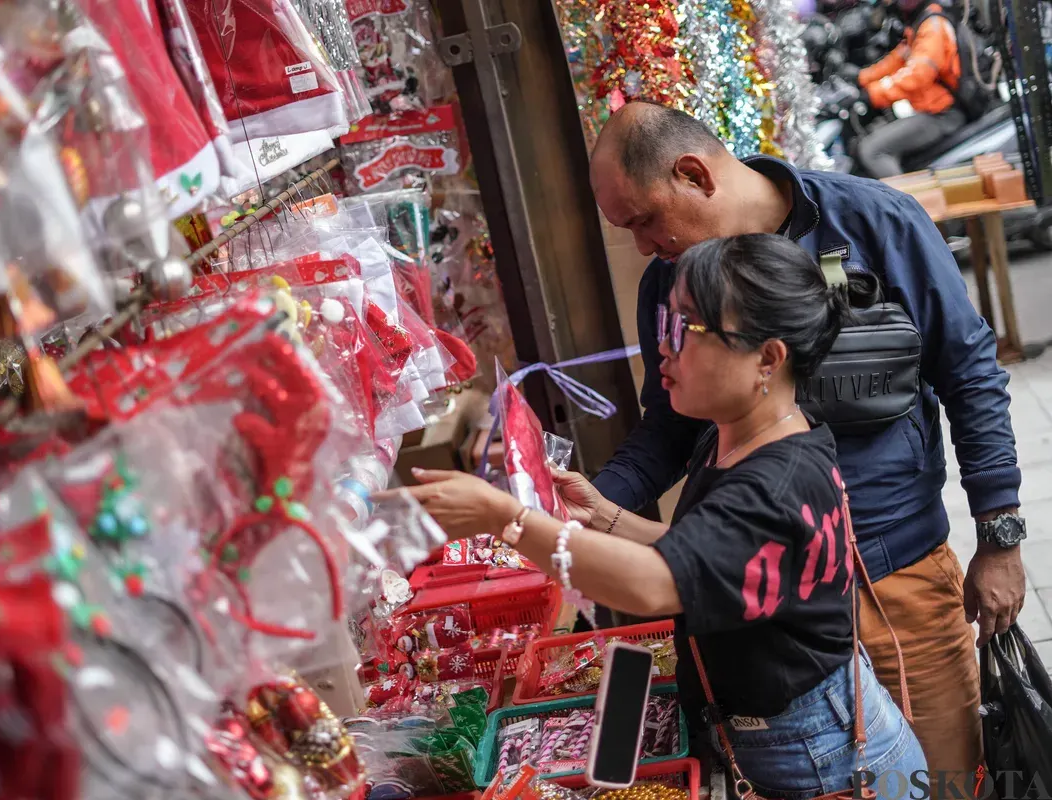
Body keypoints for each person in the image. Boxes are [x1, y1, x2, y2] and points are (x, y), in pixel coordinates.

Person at [378, 234, 927, 798]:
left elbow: (655, 584)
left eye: (686, 330)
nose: (662, 349)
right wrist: (607, 516)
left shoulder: (773, 483)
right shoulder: (743, 438)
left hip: (820, 757)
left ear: (768, 357)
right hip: (797, 736)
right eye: (668, 323)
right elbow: (712, 559)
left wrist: (509, 519)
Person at [586, 102, 1025, 780]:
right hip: (763, 615)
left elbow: (969, 371)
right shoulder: (669, 287)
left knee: (942, 779)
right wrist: (593, 501)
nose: (644, 245)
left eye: (644, 219)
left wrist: (1000, 536)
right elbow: (668, 429)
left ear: (694, 174)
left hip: (896, 576)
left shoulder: (873, 219)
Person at [855, 0, 966, 178]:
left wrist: (872, 94)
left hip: (942, 114)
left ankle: (905, 204)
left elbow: (917, 75)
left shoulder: (932, 26)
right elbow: (898, 58)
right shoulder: (921, 21)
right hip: (929, 110)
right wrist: (861, 77)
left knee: (871, 151)